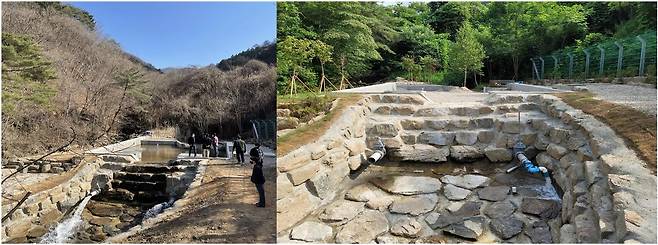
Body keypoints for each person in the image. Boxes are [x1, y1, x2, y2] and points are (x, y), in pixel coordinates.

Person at [250, 143, 265, 207]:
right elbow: (262, 157)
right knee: (261, 192)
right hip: (260, 180)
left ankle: (262, 204)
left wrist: (253, 180)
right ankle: (261, 203)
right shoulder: (260, 151)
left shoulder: (256, 167)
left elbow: (257, 176)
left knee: (261, 192)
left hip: (259, 181)